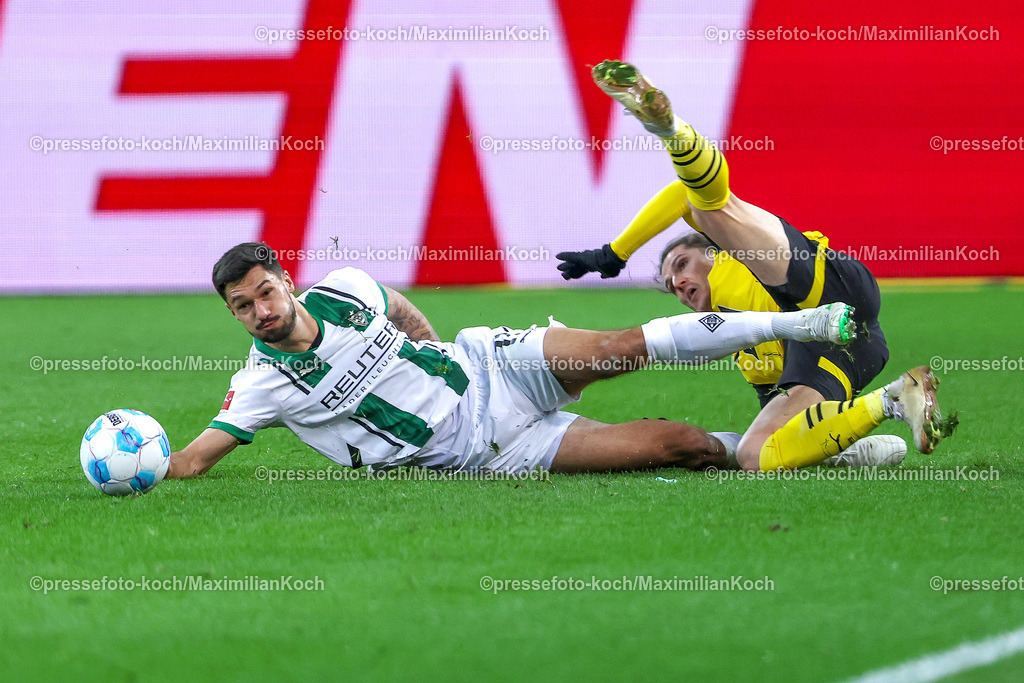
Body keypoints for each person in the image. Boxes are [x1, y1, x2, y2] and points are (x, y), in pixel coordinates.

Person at [555, 60, 956, 471]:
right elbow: (778, 408)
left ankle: (671, 130)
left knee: (710, 206)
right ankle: (888, 403)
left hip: (828, 288)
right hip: (850, 349)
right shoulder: (741, 347)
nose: (678, 282)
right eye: (672, 286)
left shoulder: (729, 261)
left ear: (711, 252)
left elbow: (684, 194)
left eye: (682, 264)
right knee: (755, 454)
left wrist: (616, 252)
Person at [167, 243, 864, 479]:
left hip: (491, 364)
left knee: (619, 348)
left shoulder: (344, 289)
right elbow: (195, 459)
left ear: (285, 279)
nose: (259, 309)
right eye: (242, 305)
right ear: (233, 313)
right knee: (677, 444)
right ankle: (803, 449)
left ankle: (799, 319)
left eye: (265, 291)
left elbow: (401, 309)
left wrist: (437, 349)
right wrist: (135, 465)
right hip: (491, 448)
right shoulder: (261, 384)